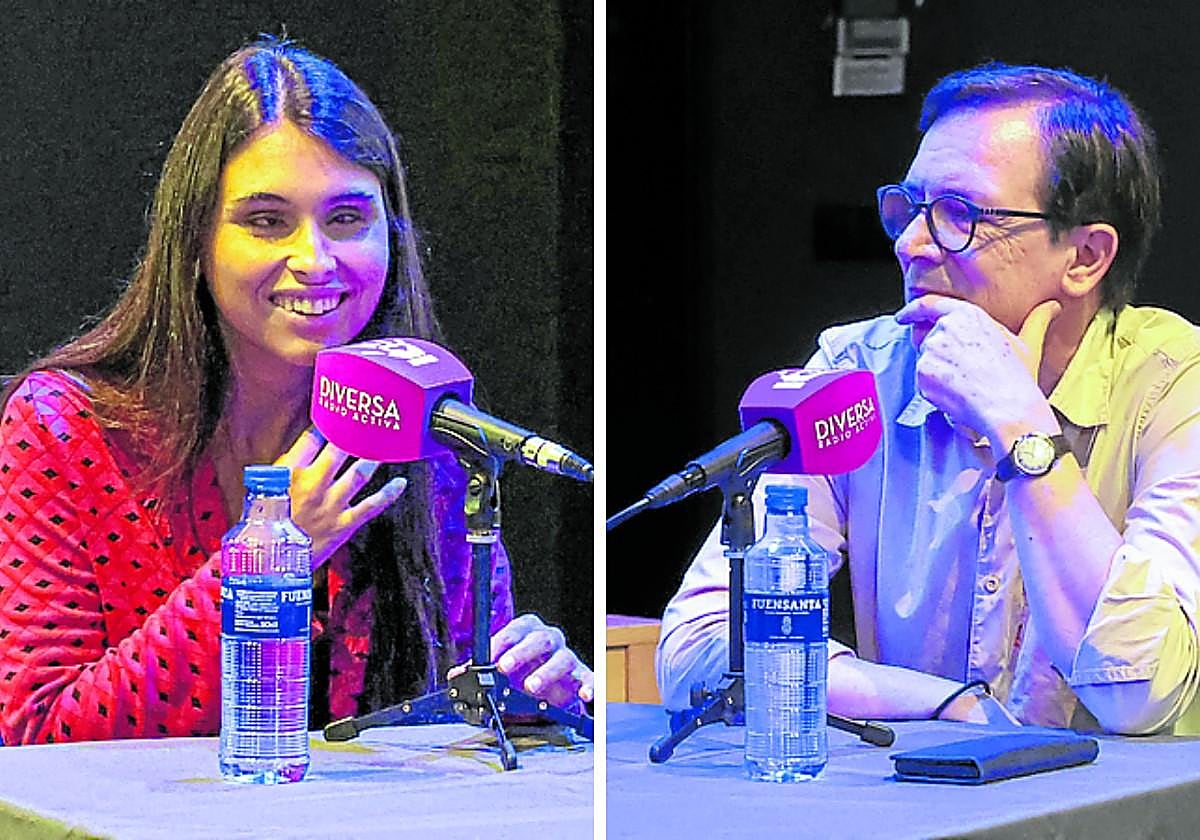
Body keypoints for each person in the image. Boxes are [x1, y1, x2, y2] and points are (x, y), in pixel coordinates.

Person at [0, 37, 591, 746]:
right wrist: (270, 561)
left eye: (346, 220)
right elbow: (36, 739)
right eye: (266, 221)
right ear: (195, 240)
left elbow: (455, 734)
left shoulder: (429, 431)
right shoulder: (64, 426)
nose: (314, 260)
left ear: (391, 237)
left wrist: (529, 700)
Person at [657, 62, 1200, 735]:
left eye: (958, 215)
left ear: (1085, 256)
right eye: (909, 208)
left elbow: (1138, 693)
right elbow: (700, 648)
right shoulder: (859, 373)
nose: (910, 244)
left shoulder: (1178, 388)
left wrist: (1020, 425)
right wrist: (938, 703)